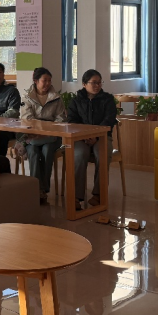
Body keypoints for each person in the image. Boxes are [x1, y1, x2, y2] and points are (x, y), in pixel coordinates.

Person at [69, 69, 117, 211]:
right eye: (94, 83)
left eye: (99, 83)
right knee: (79, 155)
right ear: (84, 84)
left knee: (102, 153)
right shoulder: (76, 100)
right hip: (80, 138)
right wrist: (85, 135)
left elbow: (109, 119)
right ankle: (76, 196)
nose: (97, 86)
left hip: (102, 136)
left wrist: (96, 135)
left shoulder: (107, 99)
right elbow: (72, 121)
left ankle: (98, 194)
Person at [20, 68, 66, 204]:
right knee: (33, 152)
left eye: (49, 80)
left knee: (47, 150)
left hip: (52, 137)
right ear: (36, 81)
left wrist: (47, 130)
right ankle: (37, 189)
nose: (47, 83)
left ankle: (42, 189)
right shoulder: (27, 97)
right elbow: (27, 119)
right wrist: (40, 129)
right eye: (44, 80)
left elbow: (61, 119)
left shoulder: (56, 97)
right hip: (33, 135)